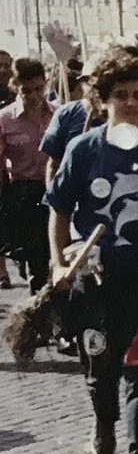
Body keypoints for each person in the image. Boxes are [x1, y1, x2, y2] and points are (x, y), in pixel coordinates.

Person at [44, 53, 138, 454]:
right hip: (97, 276)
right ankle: (103, 425)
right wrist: (58, 260)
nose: (131, 103)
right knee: (100, 366)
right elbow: (59, 210)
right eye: (121, 96)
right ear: (103, 102)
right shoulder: (83, 150)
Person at [0, 58, 55, 292]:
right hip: (24, 194)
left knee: (57, 254)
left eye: (39, 89)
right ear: (15, 87)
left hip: (55, 191)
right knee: (37, 262)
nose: (33, 95)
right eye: (26, 90)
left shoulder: (59, 115)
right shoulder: (5, 120)